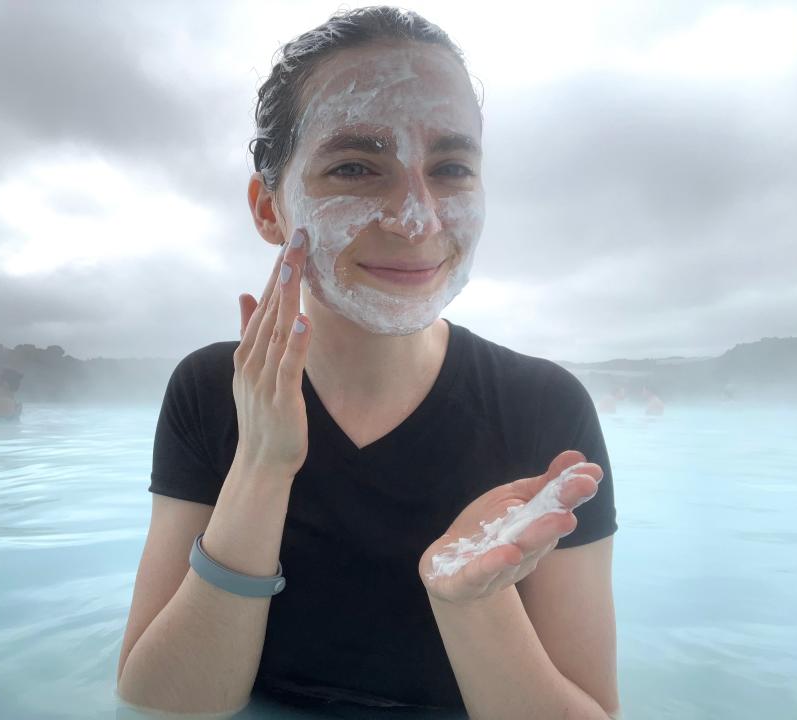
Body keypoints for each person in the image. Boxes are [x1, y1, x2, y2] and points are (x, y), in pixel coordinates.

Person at [117, 7, 620, 720]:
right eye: (355, 166)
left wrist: (471, 601)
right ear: (268, 208)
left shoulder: (541, 407)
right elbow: (160, 704)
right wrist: (261, 464)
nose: (417, 218)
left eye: (450, 168)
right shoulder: (212, 390)